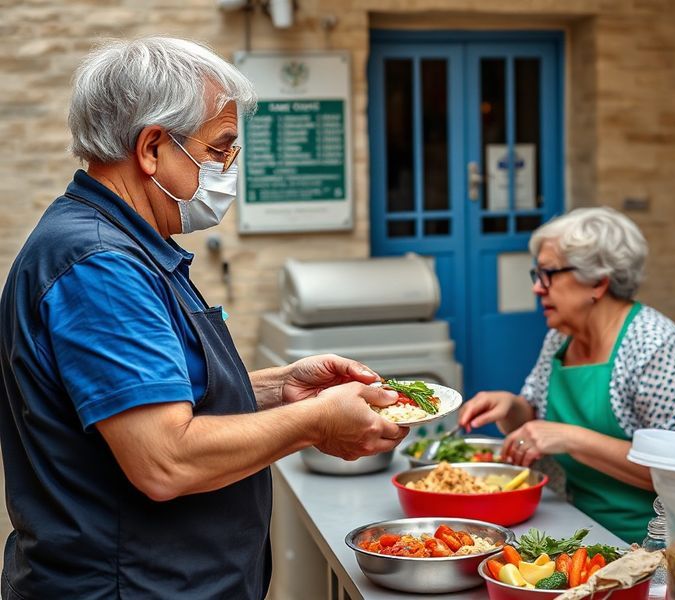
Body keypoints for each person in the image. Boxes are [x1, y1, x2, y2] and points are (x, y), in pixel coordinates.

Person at [0, 36, 408, 599]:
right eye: (219, 149)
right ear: (151, 148)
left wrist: (279, 387)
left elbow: (165, 392)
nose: (228, 170)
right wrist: (315, 423)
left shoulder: (129, 244)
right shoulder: (101, 267)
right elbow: (163, 459)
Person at [458, 207, 675, 544]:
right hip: (575, 528)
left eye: (549, 274)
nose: (537, 289)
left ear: (598, 283)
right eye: (536, 275)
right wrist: (510, 407)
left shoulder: (655, 345)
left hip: (659, 547)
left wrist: (572, 438)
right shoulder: (562, 337)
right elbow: (536, 420)